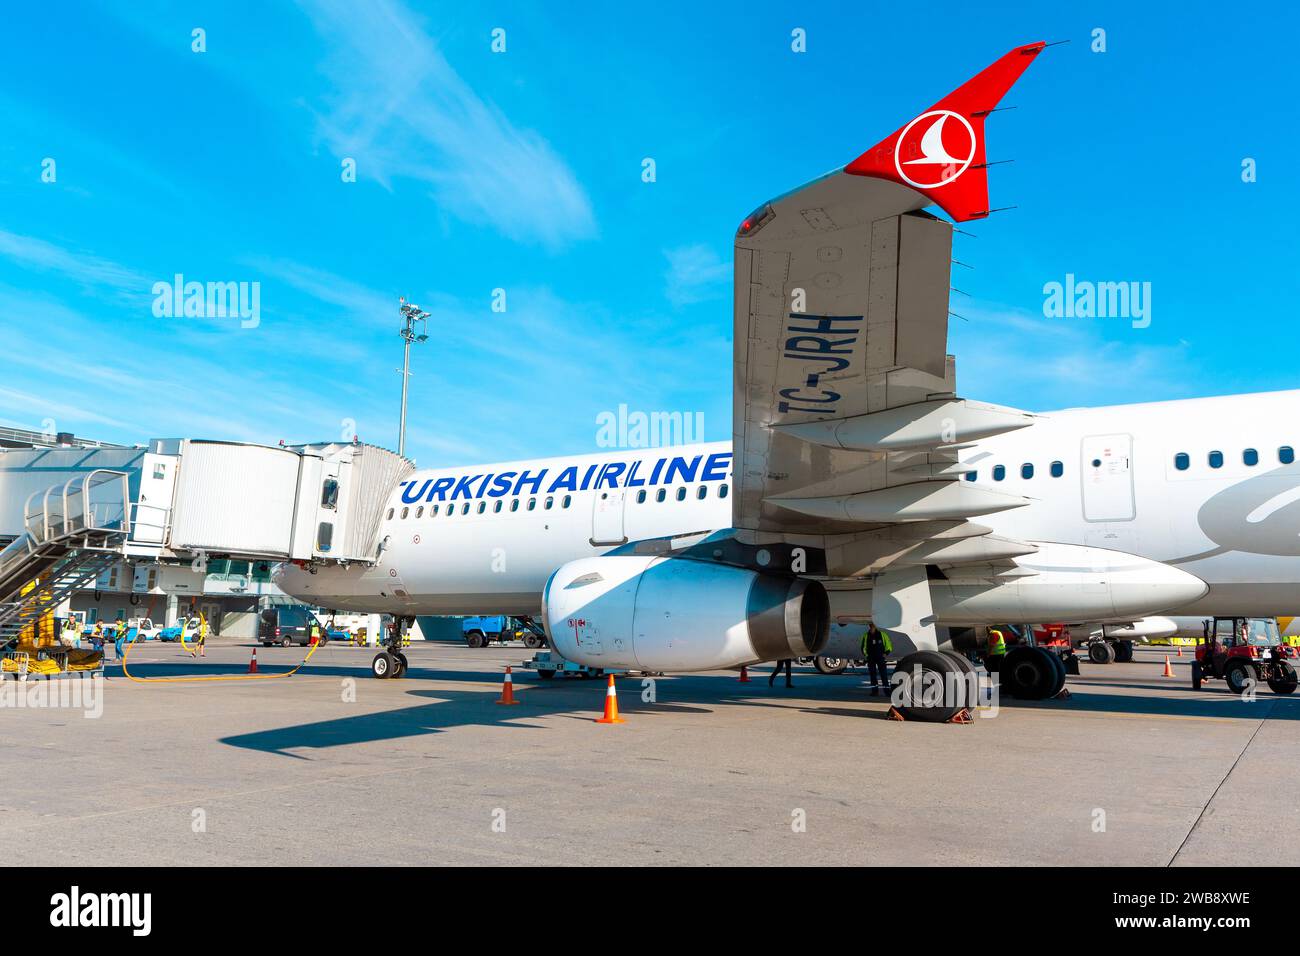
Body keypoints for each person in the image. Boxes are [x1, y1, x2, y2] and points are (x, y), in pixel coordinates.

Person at [862, 623, 892, 694]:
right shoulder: (866, 635)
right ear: (869, 626)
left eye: (873, 625)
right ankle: (874, 691)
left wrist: (886, 653)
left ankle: (887, 691)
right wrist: (867, 656)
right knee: (873, 675)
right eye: (871, 625)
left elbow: (889, 646)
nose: (872, 627)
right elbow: (863, 648)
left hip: (880, 657)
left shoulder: (882, 635)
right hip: (871, 658)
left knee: (883, 675)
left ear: (875, 626)